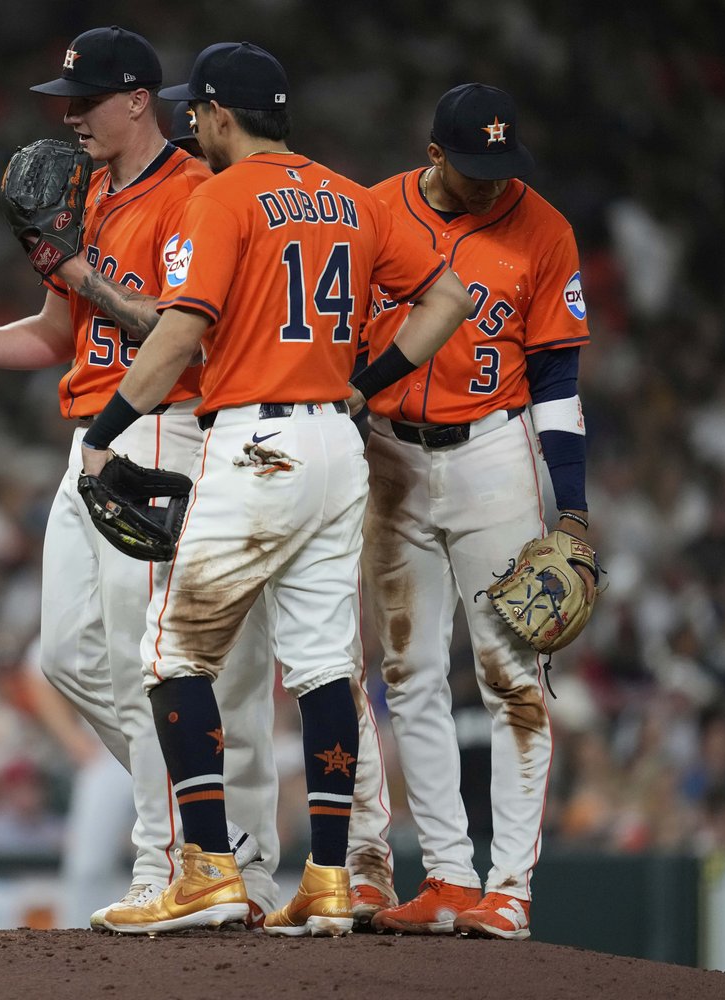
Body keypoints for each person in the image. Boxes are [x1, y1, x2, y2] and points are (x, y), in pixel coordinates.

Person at [76, 41, 470, 936]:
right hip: (339, 441)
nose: (194, 130)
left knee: (173, 653)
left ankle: (209, 868)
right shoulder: (350, 195)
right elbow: (449, 295)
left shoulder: (219, 195)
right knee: (326, 663)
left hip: (256, 441)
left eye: (198, 116)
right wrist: (369, 379)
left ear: (219, 114)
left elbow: (180, 333)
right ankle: (329, 879)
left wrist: (103, 436)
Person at [0, 25, 282, 926]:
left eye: (84, 100)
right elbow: (56, 331)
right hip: (91, 433)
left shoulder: (196, 190)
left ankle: (168, 862)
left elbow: (174, 326)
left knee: (143, 662)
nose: (69, 116)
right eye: (63, 102)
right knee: (67, 655)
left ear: (138, 101)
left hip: (162, 430)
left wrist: (79, 267)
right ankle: (214, 820)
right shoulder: (85, 191)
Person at [355, 84, 594, 941]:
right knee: (409, 671)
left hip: (495, 453)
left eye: (503, 167)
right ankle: (449, 878)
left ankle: (510, 891)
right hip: (388, 454)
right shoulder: (374, 212)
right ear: (432, 156)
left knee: (511, 674)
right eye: (474, 169)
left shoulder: (544, 227)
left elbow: (560, 385)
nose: (494, 184)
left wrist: (572, 509)